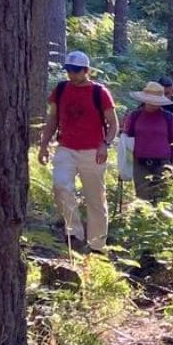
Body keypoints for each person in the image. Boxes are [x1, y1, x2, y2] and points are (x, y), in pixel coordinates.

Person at [36, 50, 118, 252]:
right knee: (61, 186)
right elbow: (53, 119)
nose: (71, 74)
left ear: (86, 70)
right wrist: (44, 144)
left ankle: (97, 245)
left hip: (93, 152)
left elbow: (114, 124)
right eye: (69, 70)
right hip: (66, 148)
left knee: (95, 198)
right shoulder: (61, 89)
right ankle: (74, 234)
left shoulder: (100, 93)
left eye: (76, 70)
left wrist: (105, 144)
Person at [123, 82, 173, 201]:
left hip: (163, 164)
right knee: (142, 199)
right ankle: (142, 220)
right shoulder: (134, 116)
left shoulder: (169, 118)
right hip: (140, 164)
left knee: (162, 199)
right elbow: (126, 140)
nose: (153, 103)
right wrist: (124, 164)